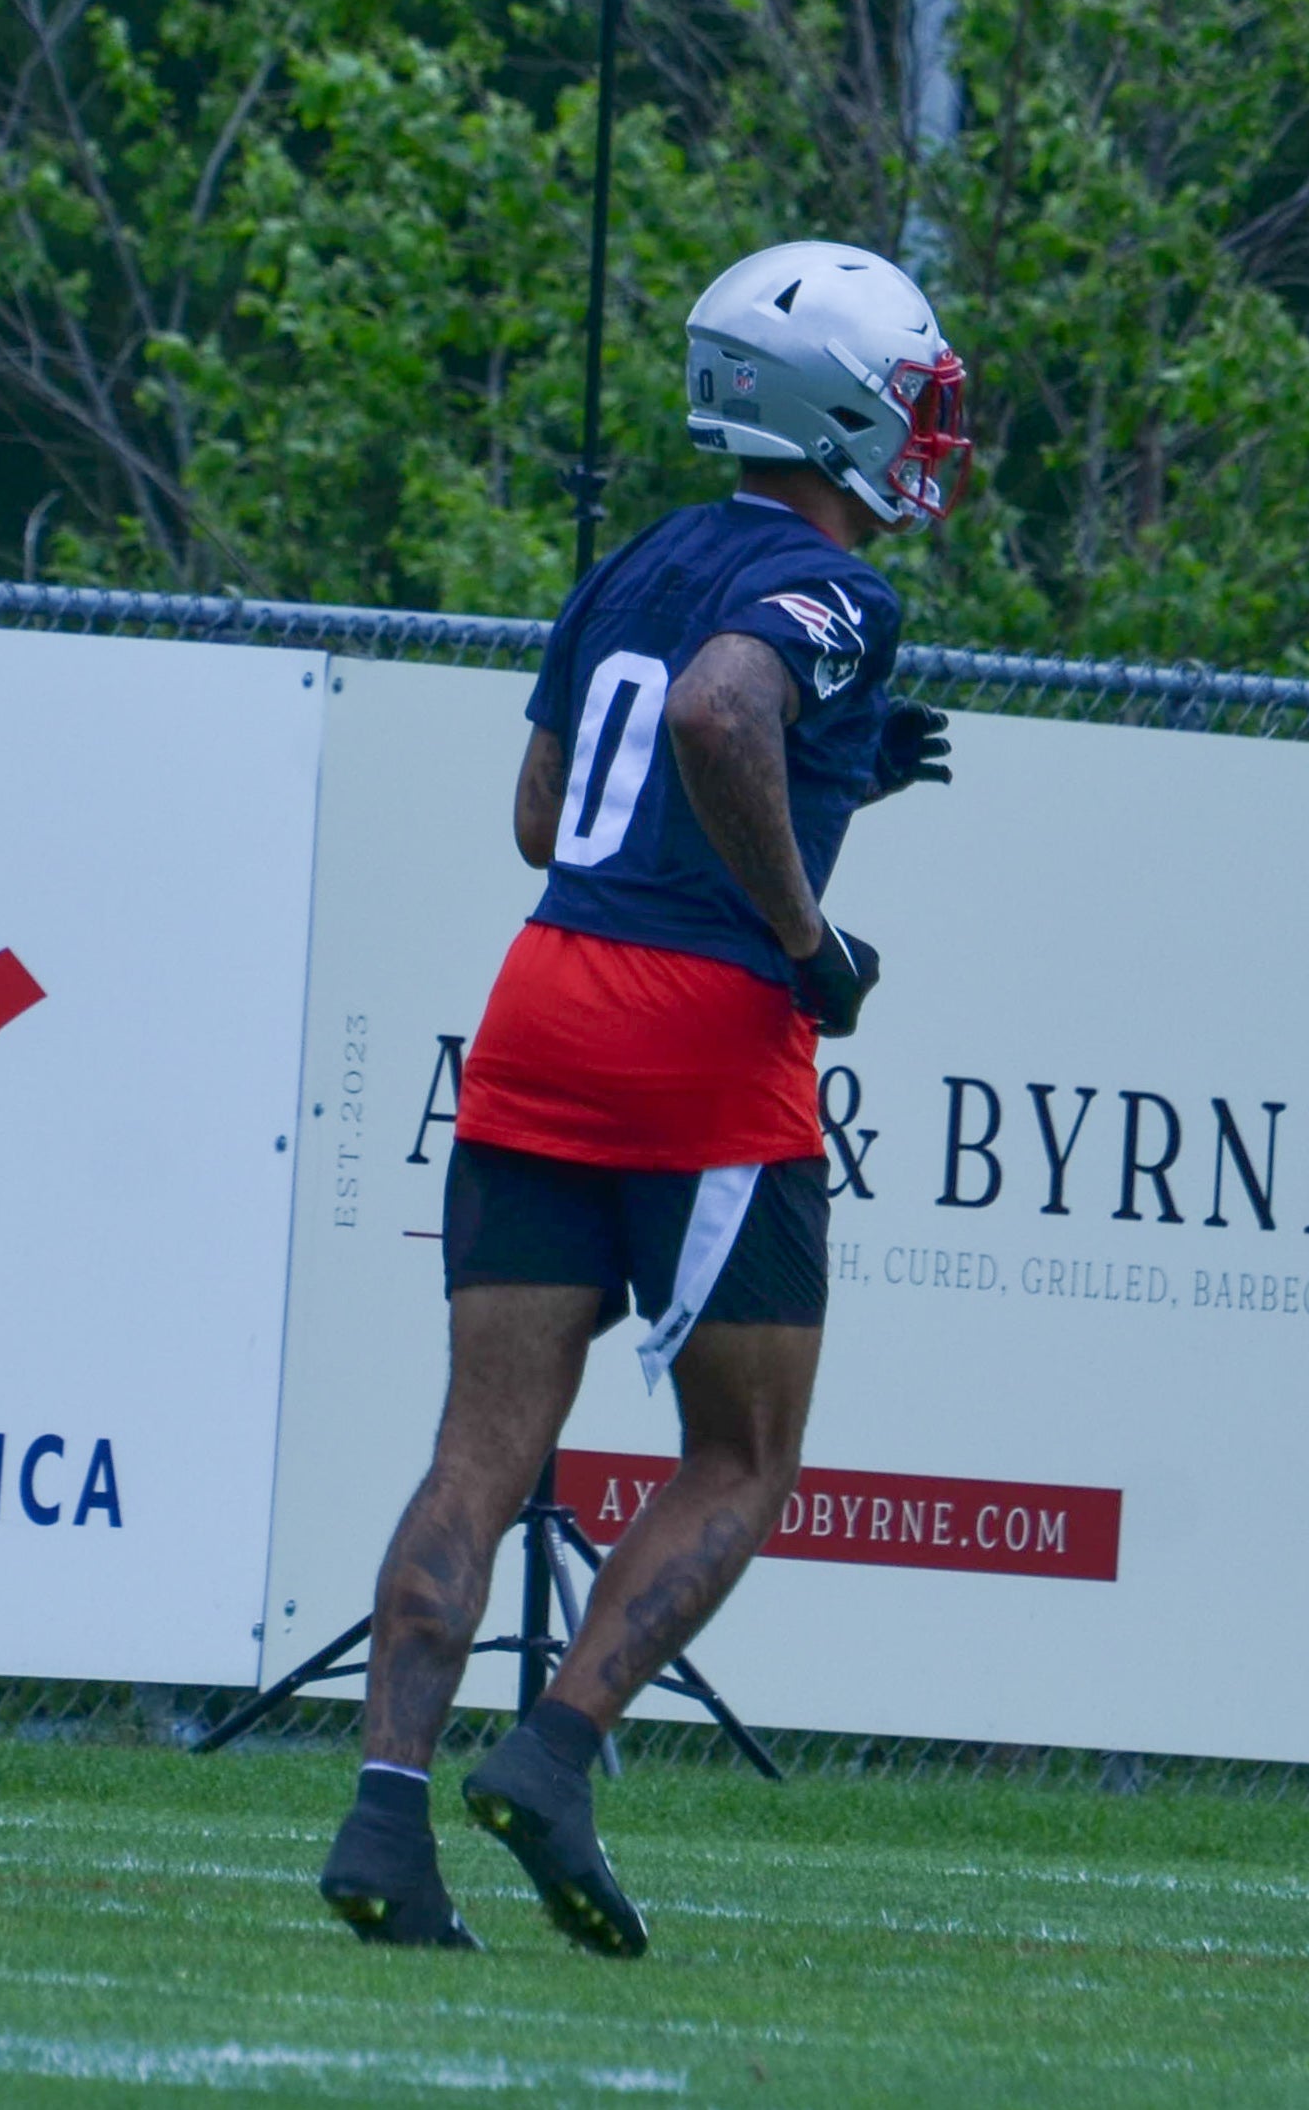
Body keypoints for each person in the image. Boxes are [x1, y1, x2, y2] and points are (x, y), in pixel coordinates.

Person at [316, 240, 970, 1955]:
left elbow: (549, 817)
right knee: (744, 1451)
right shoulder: (838, 591)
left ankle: (384, 1813)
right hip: (699, 1036)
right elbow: (715, 706)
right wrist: (808, 933)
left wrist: (833, 779)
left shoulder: (634, 560)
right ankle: (554, 1747)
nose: (926, 434)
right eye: (909, 402)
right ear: (838, 412)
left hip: (540, 1003)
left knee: (477, 1449)